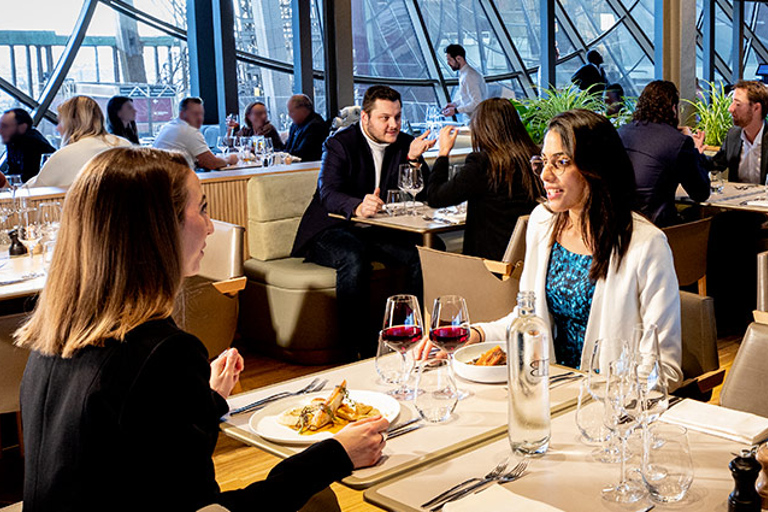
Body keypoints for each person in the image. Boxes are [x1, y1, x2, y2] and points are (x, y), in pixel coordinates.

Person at [16, 147, 389, 512]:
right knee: (319, 500)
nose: (211, 226)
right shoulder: (163, 352)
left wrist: (204, 400)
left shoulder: (56, 336)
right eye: (203, 209)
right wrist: (335, 455)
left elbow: (140, 449)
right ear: (159, 229)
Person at [417, 110, 683, 389]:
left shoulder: (645, 244)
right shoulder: (543, 223)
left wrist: (612, 403)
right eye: (543, 162)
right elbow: (528, 320)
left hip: (609, 402)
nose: (545, 175)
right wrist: (474, 334)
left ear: (596, 168)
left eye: (561, 163)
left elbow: (664, 368)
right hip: (547, 389)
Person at [292, 85, 436, 359]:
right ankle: (355, 350)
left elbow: (425, 193)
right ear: (365, 119)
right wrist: (357, 206)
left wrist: (415, 160)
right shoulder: (339, 143)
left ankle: (407, 336)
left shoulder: (405, 143)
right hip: (332, 228)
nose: (393, 124)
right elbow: (328, 192)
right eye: (385, 118)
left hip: (379, 231)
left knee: (424, 251)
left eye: (397, 117)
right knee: (353, 255)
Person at [427, 98, 541, 260]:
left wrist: (443, 153)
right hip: (527, 262)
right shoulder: (533, 160)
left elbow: (435, 197)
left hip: (486, 266)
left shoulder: (483, 164)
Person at [618, 80, 710, 227]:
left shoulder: (621, 132)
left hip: (620, 223)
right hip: (657, 228)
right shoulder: (677, 142)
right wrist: (695, 150)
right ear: (673, 108)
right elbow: (700, 193)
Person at [29, 96, 132, 188]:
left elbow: (33, 190)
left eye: (60, 122)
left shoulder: (65, 155)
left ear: (71, 124)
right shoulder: (125, 145)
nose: (57, 128)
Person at [706, 80, 768, 184]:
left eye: (738, 104)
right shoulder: (733, 136)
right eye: (732, 102)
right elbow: (715, 164)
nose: (730, 109)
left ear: (756, 108)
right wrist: (694, 152)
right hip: (737, 198)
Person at [153, 97, 238, 170]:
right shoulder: (188, 131)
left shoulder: (169, 126)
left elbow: (202, 161)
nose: (199, 118)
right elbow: (211, 163)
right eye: (195, 114)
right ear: (182, 114)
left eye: (201, 114)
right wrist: (229, 159)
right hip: (175, 180)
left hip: (162, 176)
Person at [0, 108, 55, 183]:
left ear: (22, 127)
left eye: (5, 126)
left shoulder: (31, 142)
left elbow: (28, 177)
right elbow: (13, 171)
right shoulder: (13, 140)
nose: (0, 130)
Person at [441, 44, 487, 119]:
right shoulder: (465, 73)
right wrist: (455, 104)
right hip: (472, 118)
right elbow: (467, 98)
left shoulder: (469, 76)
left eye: (449, 60)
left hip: (474, 119)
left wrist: (455, 110)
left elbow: (477, 102)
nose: (448, 63)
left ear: (459, 58)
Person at [284, 94, 328, 161]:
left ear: (303, 109)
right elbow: (287, 149)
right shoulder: (295, 126)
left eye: (292, 111)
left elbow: (302, 154)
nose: (289, 115)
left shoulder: (315, 126)